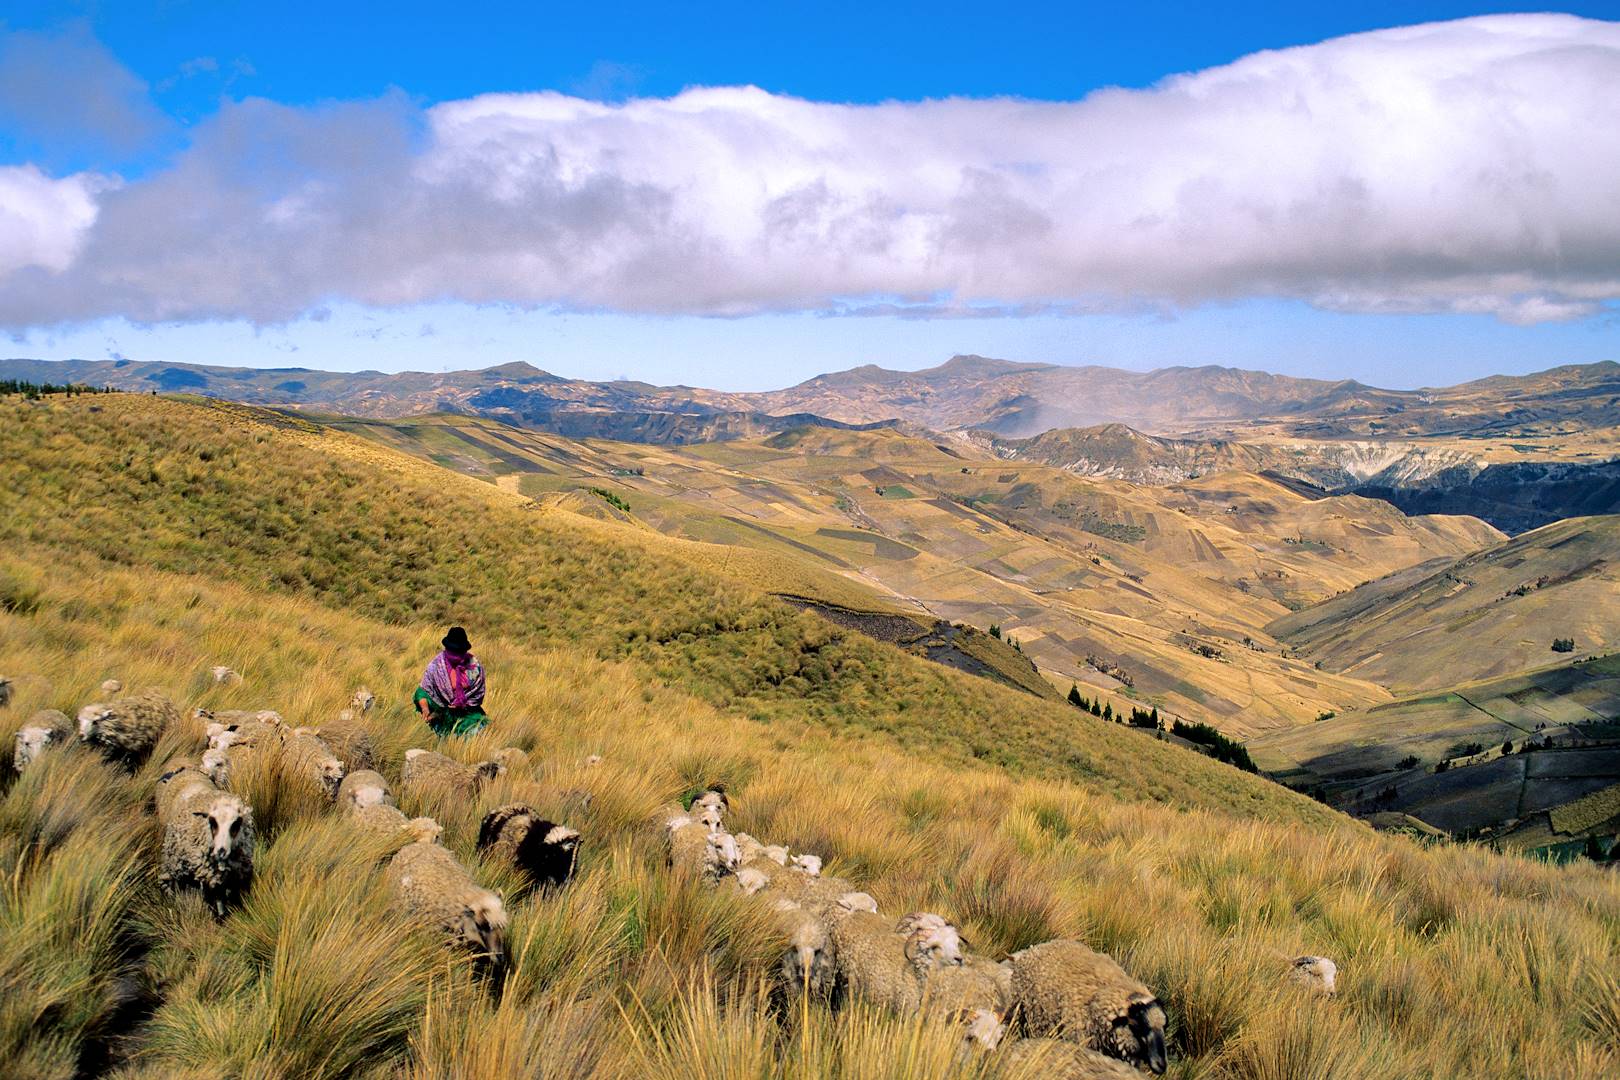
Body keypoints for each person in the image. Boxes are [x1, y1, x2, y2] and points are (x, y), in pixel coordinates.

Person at [415, 626, 488, 736]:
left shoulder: (474, 666)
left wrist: (463, 705)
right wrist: (425, 709)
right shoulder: (436, 666)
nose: (455, 654)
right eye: (452, 650)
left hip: (467, 714)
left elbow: (477, 695)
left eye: (459, 651)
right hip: (441, 712)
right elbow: (422, 691)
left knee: (477, 733)